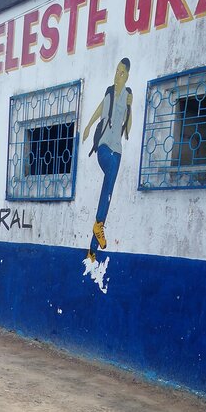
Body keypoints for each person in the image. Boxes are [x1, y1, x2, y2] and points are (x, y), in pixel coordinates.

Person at [82, 58, 134, 263]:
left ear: (127, 75)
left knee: (107, 194)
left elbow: (128, 129)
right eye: (116, 71)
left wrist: (130, 107)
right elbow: (99, 109)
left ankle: (92, 249)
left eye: (122, 73)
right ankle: (98, 227)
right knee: (108, 184)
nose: (117, 75)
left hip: (117, 149)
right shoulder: (109, 91)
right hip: (104, 147)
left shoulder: (128, 95)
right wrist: (88, 126)